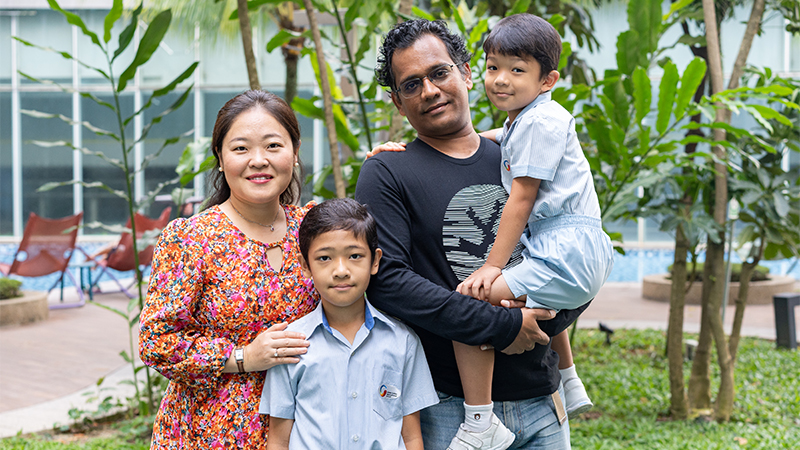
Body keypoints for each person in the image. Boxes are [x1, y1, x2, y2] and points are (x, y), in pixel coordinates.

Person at [356, 19, 589, 450]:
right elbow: (388, 283)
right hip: (452, 410)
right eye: (411, 84)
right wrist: (501, 326)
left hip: (542, 396)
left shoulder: (518, 156)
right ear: (396, 101)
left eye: (439, 73)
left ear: (465, 72)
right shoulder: (388, 170)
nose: (429, 90)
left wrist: (539, 322)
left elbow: (574, 253)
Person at [139, 90, 318, 449]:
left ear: (294, 154)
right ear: (220, 158)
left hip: (306, 423)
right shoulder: (191, 238)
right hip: (211, 430)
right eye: (240, 149)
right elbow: (155, 341)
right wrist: (241, 357)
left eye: (273, 146)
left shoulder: (315, 230)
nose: (258, 160)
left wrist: (386, 162)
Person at [259, 198, 439, 450]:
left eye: (354, 256)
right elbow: (279, 439)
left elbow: (411, 436)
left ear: (375, 261)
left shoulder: (403, 341)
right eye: (324, 258)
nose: (341, 270)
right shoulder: (291, 345)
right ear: (305, 266)